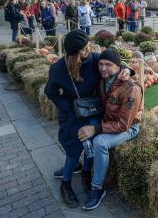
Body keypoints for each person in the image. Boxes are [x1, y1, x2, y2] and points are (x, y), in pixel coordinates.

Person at [45, 31, 132, 208]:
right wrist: (67, 107)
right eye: (84, 50)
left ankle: (86, 172)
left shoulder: (94, 59)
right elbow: (50, 92)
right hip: (70, 113)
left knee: (91, 141)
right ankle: (66, 183)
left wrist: (128, 70)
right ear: (73, 53)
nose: (89, 51)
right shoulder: (58, 69)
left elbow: (118, 65)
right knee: (74, 147)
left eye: (88, 47)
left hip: (93, 110)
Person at [79, 48, 142, 211]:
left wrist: (96, 129)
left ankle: (97, 188)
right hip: (109, 121)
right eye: (101, 64)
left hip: (128, 127)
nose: (103, 68)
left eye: (108, 64)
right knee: (82, 127)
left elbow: (124, 125)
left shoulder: (130, 88)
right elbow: (85, 55)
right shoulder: (104, 79)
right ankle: (84, 169)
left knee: (99, 142)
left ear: (118, 66)